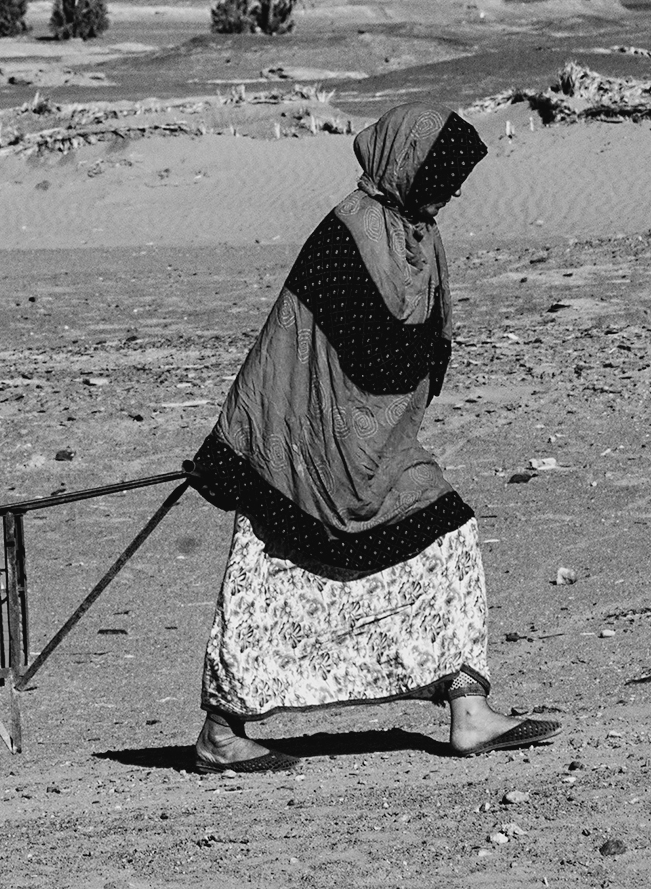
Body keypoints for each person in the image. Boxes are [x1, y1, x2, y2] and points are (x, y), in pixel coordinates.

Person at [188, 102, 561, 773]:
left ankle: (466, 706)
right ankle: (222, 727)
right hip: (312, 450)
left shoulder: (418, 238)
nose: (445, 193)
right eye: (437, 177)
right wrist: (239, 446)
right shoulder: (346, 233)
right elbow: (289, 349)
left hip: (379, 450)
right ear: (405, 164)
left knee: (447, 532)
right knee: (269, 558)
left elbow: (411, 356)